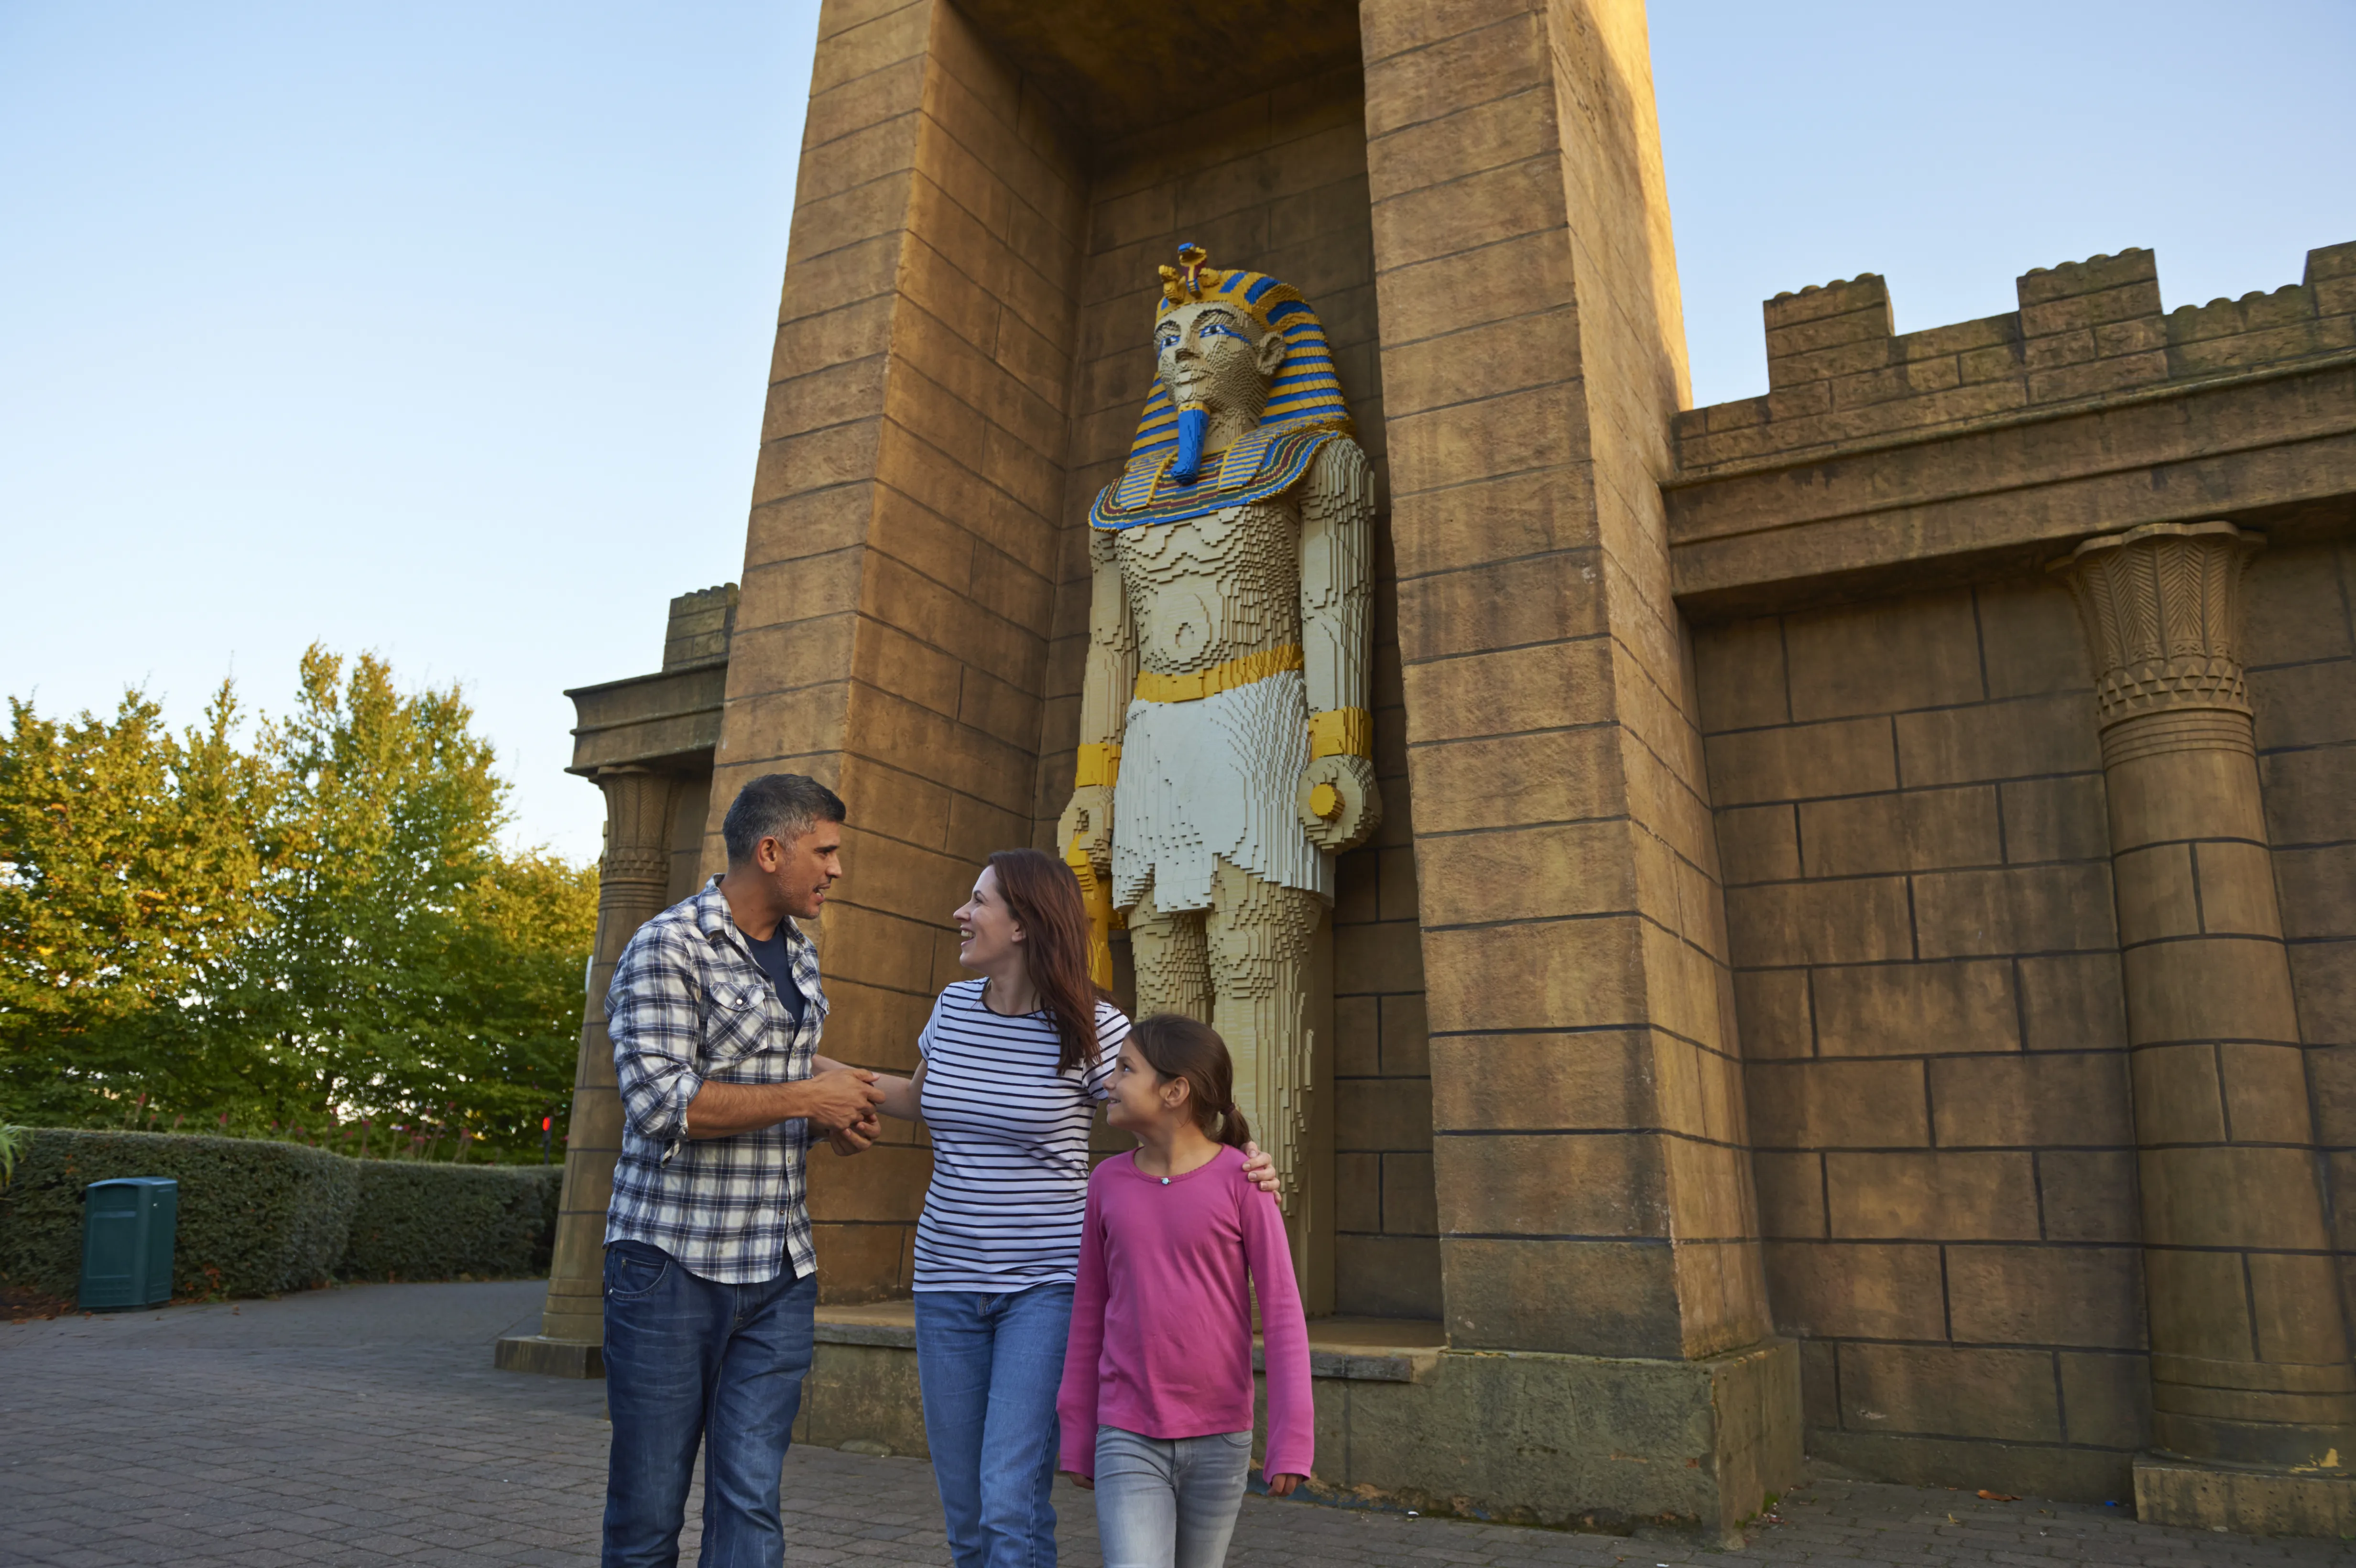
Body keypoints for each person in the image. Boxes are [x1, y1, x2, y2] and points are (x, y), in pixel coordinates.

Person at [855, 849, 1285, 1568]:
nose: (962, 914)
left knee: (1008, 1499)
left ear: (1024, 923)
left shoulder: (1095, 1028)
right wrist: (809, 1072)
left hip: (1045, 1287)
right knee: (965, 1510)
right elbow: (921, 1099)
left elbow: (1178, 1100)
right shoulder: (953, 1009)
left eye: (978, 901)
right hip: (946, 1283)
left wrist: (1246, 1161)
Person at [598, 772, 886, 1568]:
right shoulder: (668, 945)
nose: (834, 869)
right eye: (823, 852)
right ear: (771, 850)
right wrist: (807, 1097)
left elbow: (765, 1089)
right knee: (647, 1513)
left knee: (751, 1505)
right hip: (669, 1267)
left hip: (778, 1272)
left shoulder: (800, 954)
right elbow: (662, 1103)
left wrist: (826, 1122)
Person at [1054, 1013, 1313, 1568]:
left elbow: (1283, 1311)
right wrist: (1077, 1428)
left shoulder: (1244, 1181)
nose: (1108, 1082)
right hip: (1126, 1431)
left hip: (1221, 1438)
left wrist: (1292, 1436)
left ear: (1174, 1091)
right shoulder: (1106, 1182)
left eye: (1125, 1068)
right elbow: (1088, 1312)